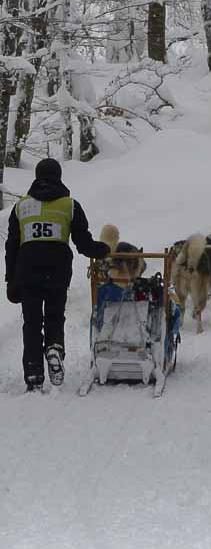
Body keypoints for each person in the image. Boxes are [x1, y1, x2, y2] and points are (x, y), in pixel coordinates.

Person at [4, 158, 110, 392]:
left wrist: (10, 279)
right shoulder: (70, 205)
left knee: (31, 322)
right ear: (59, 177)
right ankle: (54, 347)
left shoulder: (20, 207)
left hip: (27, 269)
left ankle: (33, 373)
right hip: (58, 269)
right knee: (54, 315)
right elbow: (84, 244)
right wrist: (104, 250)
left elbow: (11, 246)